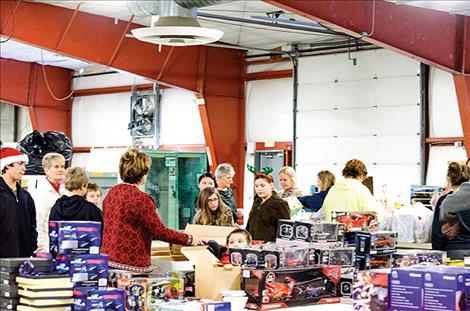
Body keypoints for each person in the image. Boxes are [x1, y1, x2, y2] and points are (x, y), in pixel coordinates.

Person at [102, 148, 204, 273]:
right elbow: (159, 231)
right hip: (132, 266)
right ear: (143, 173)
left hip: (108, 262)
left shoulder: (111, 194)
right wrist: (189, 239)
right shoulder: (141, 199)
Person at [0, 147, 37, 258]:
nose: (24, 168)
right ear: (7, 164)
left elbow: (32, 226)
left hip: (22, 259)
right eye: (20, 164)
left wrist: (31, 247)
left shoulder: (26, 196)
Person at [432, 162, 470, 254]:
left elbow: (437, 233)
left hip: (455, 249)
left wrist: (438, 253)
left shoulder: (444, 200)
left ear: (449, 179)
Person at [30, 152, 65, 252]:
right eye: (56, 167)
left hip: (61, 245)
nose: (61, 170)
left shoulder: (64, 191)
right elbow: (37, 222)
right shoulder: (41, 193)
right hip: (46, 247)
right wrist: (42, 248)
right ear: (46, 170)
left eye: (62, 166)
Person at [246, 173, 290, 242]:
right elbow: (250, 223)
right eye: (256, 186)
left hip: (270, 247)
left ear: (271, 185)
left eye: (262, 186)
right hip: (252, 244)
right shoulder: (257, 201)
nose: (259, 189)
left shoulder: (280, 204)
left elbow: (285, 229)